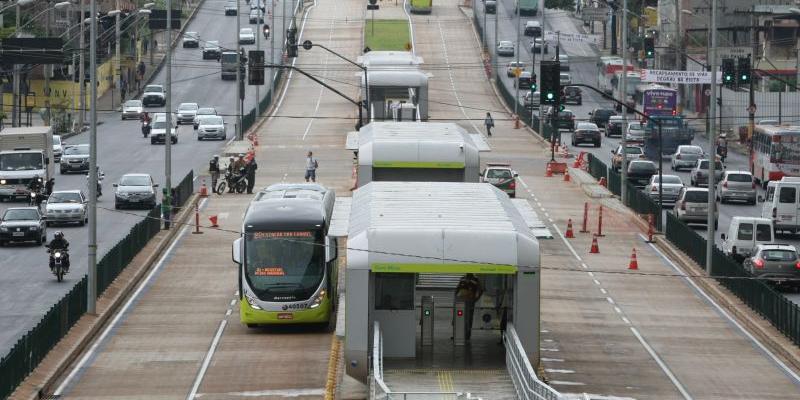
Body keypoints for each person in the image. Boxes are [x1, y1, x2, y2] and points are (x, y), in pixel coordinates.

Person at [454, 273, 483, 341]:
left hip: (469, 301)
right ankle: (458, 333)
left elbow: (481, 289)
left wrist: (476, 299)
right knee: (458, 317)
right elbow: (458, 288)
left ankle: (467, 334)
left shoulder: (476, 279)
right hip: (460, 300)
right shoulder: (462, 278)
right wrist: (456, 297)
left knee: (468, 318)